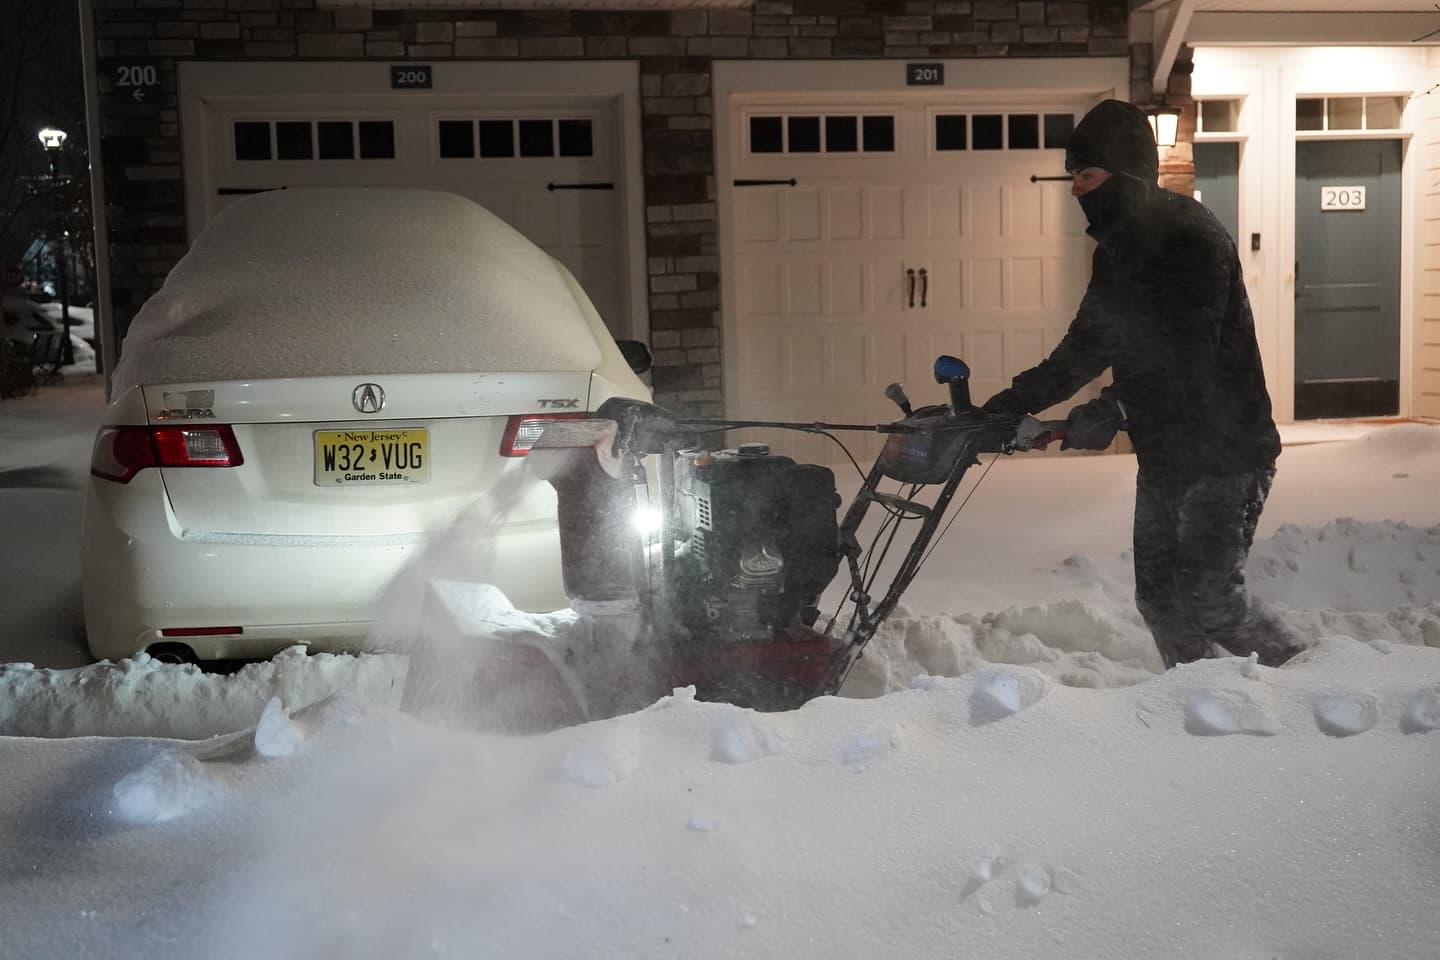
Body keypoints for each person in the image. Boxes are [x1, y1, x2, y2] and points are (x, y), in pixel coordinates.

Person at [981, 99, 1302, 669]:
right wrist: (1005, 406)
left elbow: (1187, 355)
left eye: (1086, 174)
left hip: (1226, 452)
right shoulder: (1117, 251)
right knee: (1160, 599)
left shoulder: (1191, 237)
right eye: (1074, 176)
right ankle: (1203, 699)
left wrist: (1113, 409)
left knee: (1211, 602)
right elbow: (1084, 347)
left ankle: (1311, 680)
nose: (1076, 189)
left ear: (1125, 173)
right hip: (1166, 454)